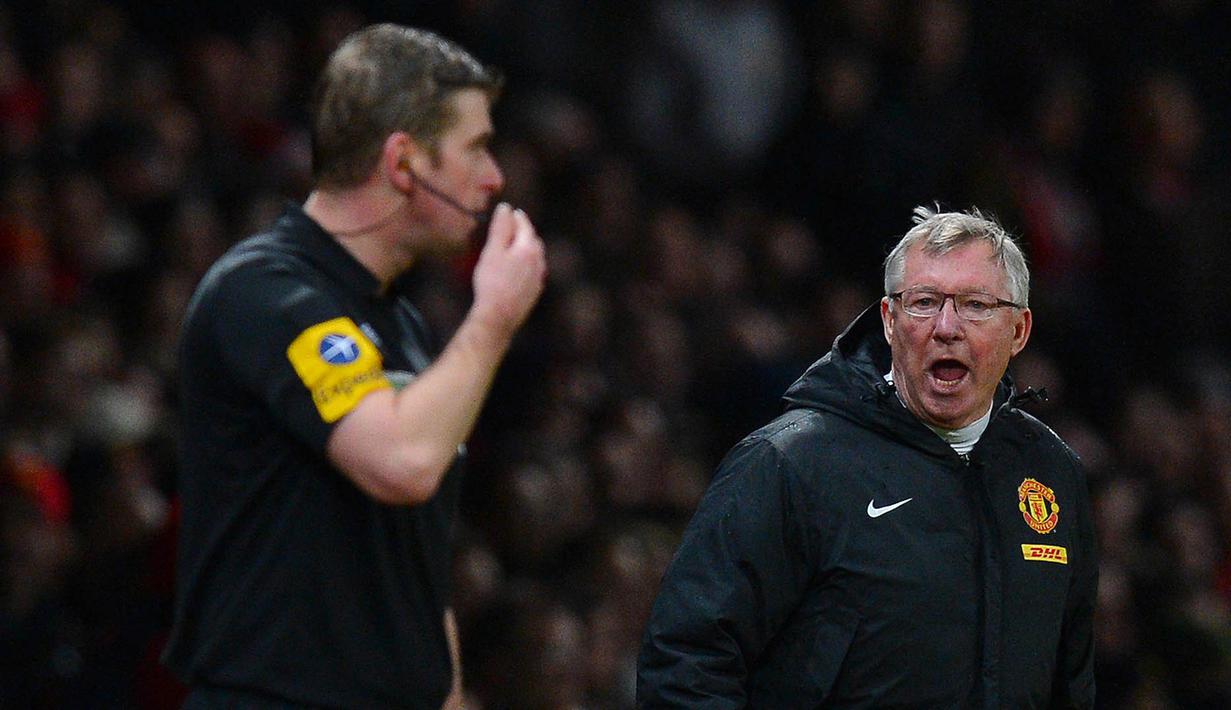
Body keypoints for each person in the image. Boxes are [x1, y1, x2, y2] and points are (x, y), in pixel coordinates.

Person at [163, 24, 546, 709]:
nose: (494, 178)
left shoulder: (397, 321)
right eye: (476, 149)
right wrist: (492, 320)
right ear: (404, 163)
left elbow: (413, 566)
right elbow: (400, 463)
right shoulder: (266, 293)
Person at [638, 206, 1097, 707]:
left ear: (1018, 331)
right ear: (889, 321)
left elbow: (1069, 682)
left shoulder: (1051, 474)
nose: (946, 327)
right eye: (923, 302)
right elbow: (687, 665)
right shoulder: (790, 464)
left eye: (975, 305)